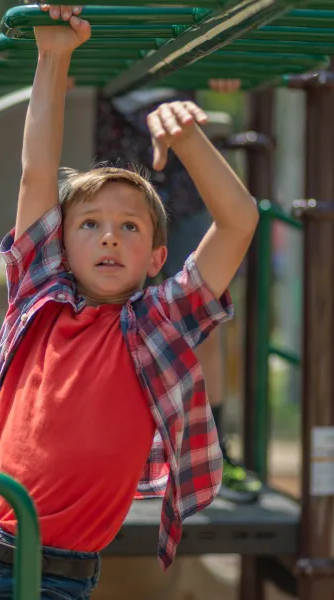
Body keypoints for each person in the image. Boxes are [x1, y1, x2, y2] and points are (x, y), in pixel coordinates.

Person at [0, 5, 259, 599]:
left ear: (156, 259)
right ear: (60, 246)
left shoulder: (157, 325)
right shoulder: (39, 299)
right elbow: (35, 173)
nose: (110, 235)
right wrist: (53, 55)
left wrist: (188, 139)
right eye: (89, 224)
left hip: (51, 577)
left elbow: (239, 222)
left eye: (130, 227)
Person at [96, 83, 262, 503]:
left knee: (202, 317)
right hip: (108, 133)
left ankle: (214, 448)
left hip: (178, 141)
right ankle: (111, 450)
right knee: (105, 311)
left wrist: (220, 71)